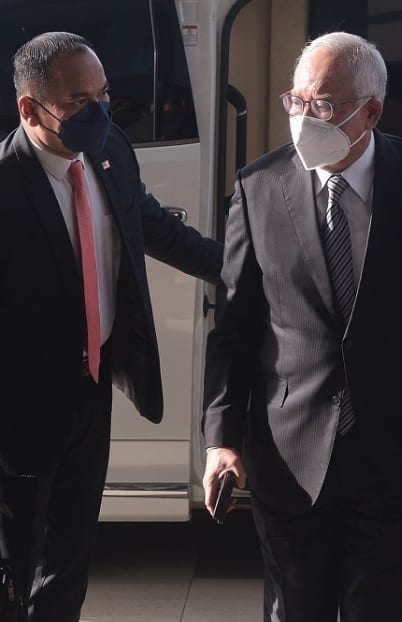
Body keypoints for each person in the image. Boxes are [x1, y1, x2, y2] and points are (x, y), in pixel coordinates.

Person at [201, 32, 402, 622]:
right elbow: (233, 326)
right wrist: (222, 438)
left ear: (372, 112)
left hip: (397, 455)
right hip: (288, 452)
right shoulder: (259, 187)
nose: (305, 117)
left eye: (325, 105)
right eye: (297, 101)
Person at [0, 32, 222, 622]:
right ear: (30, 109)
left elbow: (155, 228)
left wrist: (248, 271)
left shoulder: (110, 152)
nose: (98, 111)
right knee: (13, 569)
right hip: (17, 412)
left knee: (70, 562)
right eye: (78, 101)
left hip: (91, 392)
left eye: (104, 94)